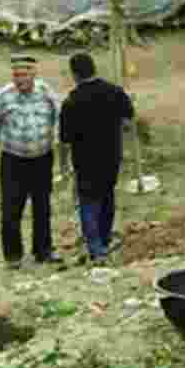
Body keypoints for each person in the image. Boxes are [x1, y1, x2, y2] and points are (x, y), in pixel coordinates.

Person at [0, 54, 62, 269]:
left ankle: (43, 250)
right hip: (13, 161)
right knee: (11, 208)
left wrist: (51, 139)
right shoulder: (2, 97)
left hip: (42, 159)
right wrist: (10, 144)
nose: (20, 79)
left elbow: (59, 115)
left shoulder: (46, 92)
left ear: (34, 74)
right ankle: (13, 256)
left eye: (25, 74)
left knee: (42, 206)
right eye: (16, 74)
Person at [59, 52, 134, 262]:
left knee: (88, 202)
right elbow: (128, 122)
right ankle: (104, 239)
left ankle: (96, 248)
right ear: (94, 68)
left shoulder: (71, 102)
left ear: (74, 74)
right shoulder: (115, 92)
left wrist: (63, 166)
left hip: (85, 161)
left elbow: (64, 141)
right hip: (111, 156)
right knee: (107, 195)